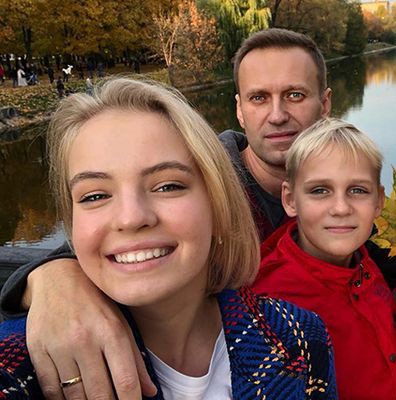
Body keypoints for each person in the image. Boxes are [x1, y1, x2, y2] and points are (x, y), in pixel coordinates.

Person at [0, 28, 396, 398]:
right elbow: (117, 237)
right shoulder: (208, 183)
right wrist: (53, 277)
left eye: (295, 96)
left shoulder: (301, 321)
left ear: (326, 103)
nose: (277, 115)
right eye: (259, 98)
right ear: (239, 109)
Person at [0, 77, 337, 399]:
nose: (131, 218)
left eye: (167, 186)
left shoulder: (300, 337)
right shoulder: (18, 367)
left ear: (218, 205)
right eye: (95, 196)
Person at [253, 118, 396, 399]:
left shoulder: (361, 260)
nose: (340, 208)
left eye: (357, 190)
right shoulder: (269, 306)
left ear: (378, 201)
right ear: (290, 200)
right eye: (319, 191)